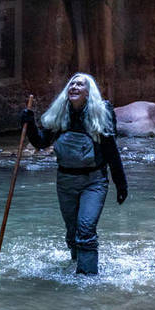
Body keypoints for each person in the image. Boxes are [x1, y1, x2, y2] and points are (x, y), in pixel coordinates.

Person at [20, 73, 127, 275]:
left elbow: (111, 152)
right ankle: (79, 264)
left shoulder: (99, 115)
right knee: (73, 233)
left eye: (80, 84)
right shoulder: (61, 115)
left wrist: (121, 185)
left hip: (94, 182)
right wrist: (30, 123)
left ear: (88, 92)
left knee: (85, 229)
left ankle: (86, 278)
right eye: (72, 84)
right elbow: (41, 143)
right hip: (66, 182)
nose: (75, 87)